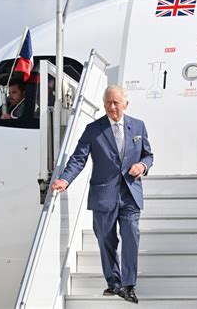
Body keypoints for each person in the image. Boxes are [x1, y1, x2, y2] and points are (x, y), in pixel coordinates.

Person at [51, 85, 153, 304]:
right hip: (104, 194)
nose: (112, 107)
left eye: (116, 102)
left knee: (131, 237)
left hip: (130, 194)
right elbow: (79, 158)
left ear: (126, 104)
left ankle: (129, 284)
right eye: (108, 102)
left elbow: (148, 155)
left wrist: (142, 167)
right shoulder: (93, 129)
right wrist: (65, 179)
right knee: (106, 240)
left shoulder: (138, 126)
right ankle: (114, 282)